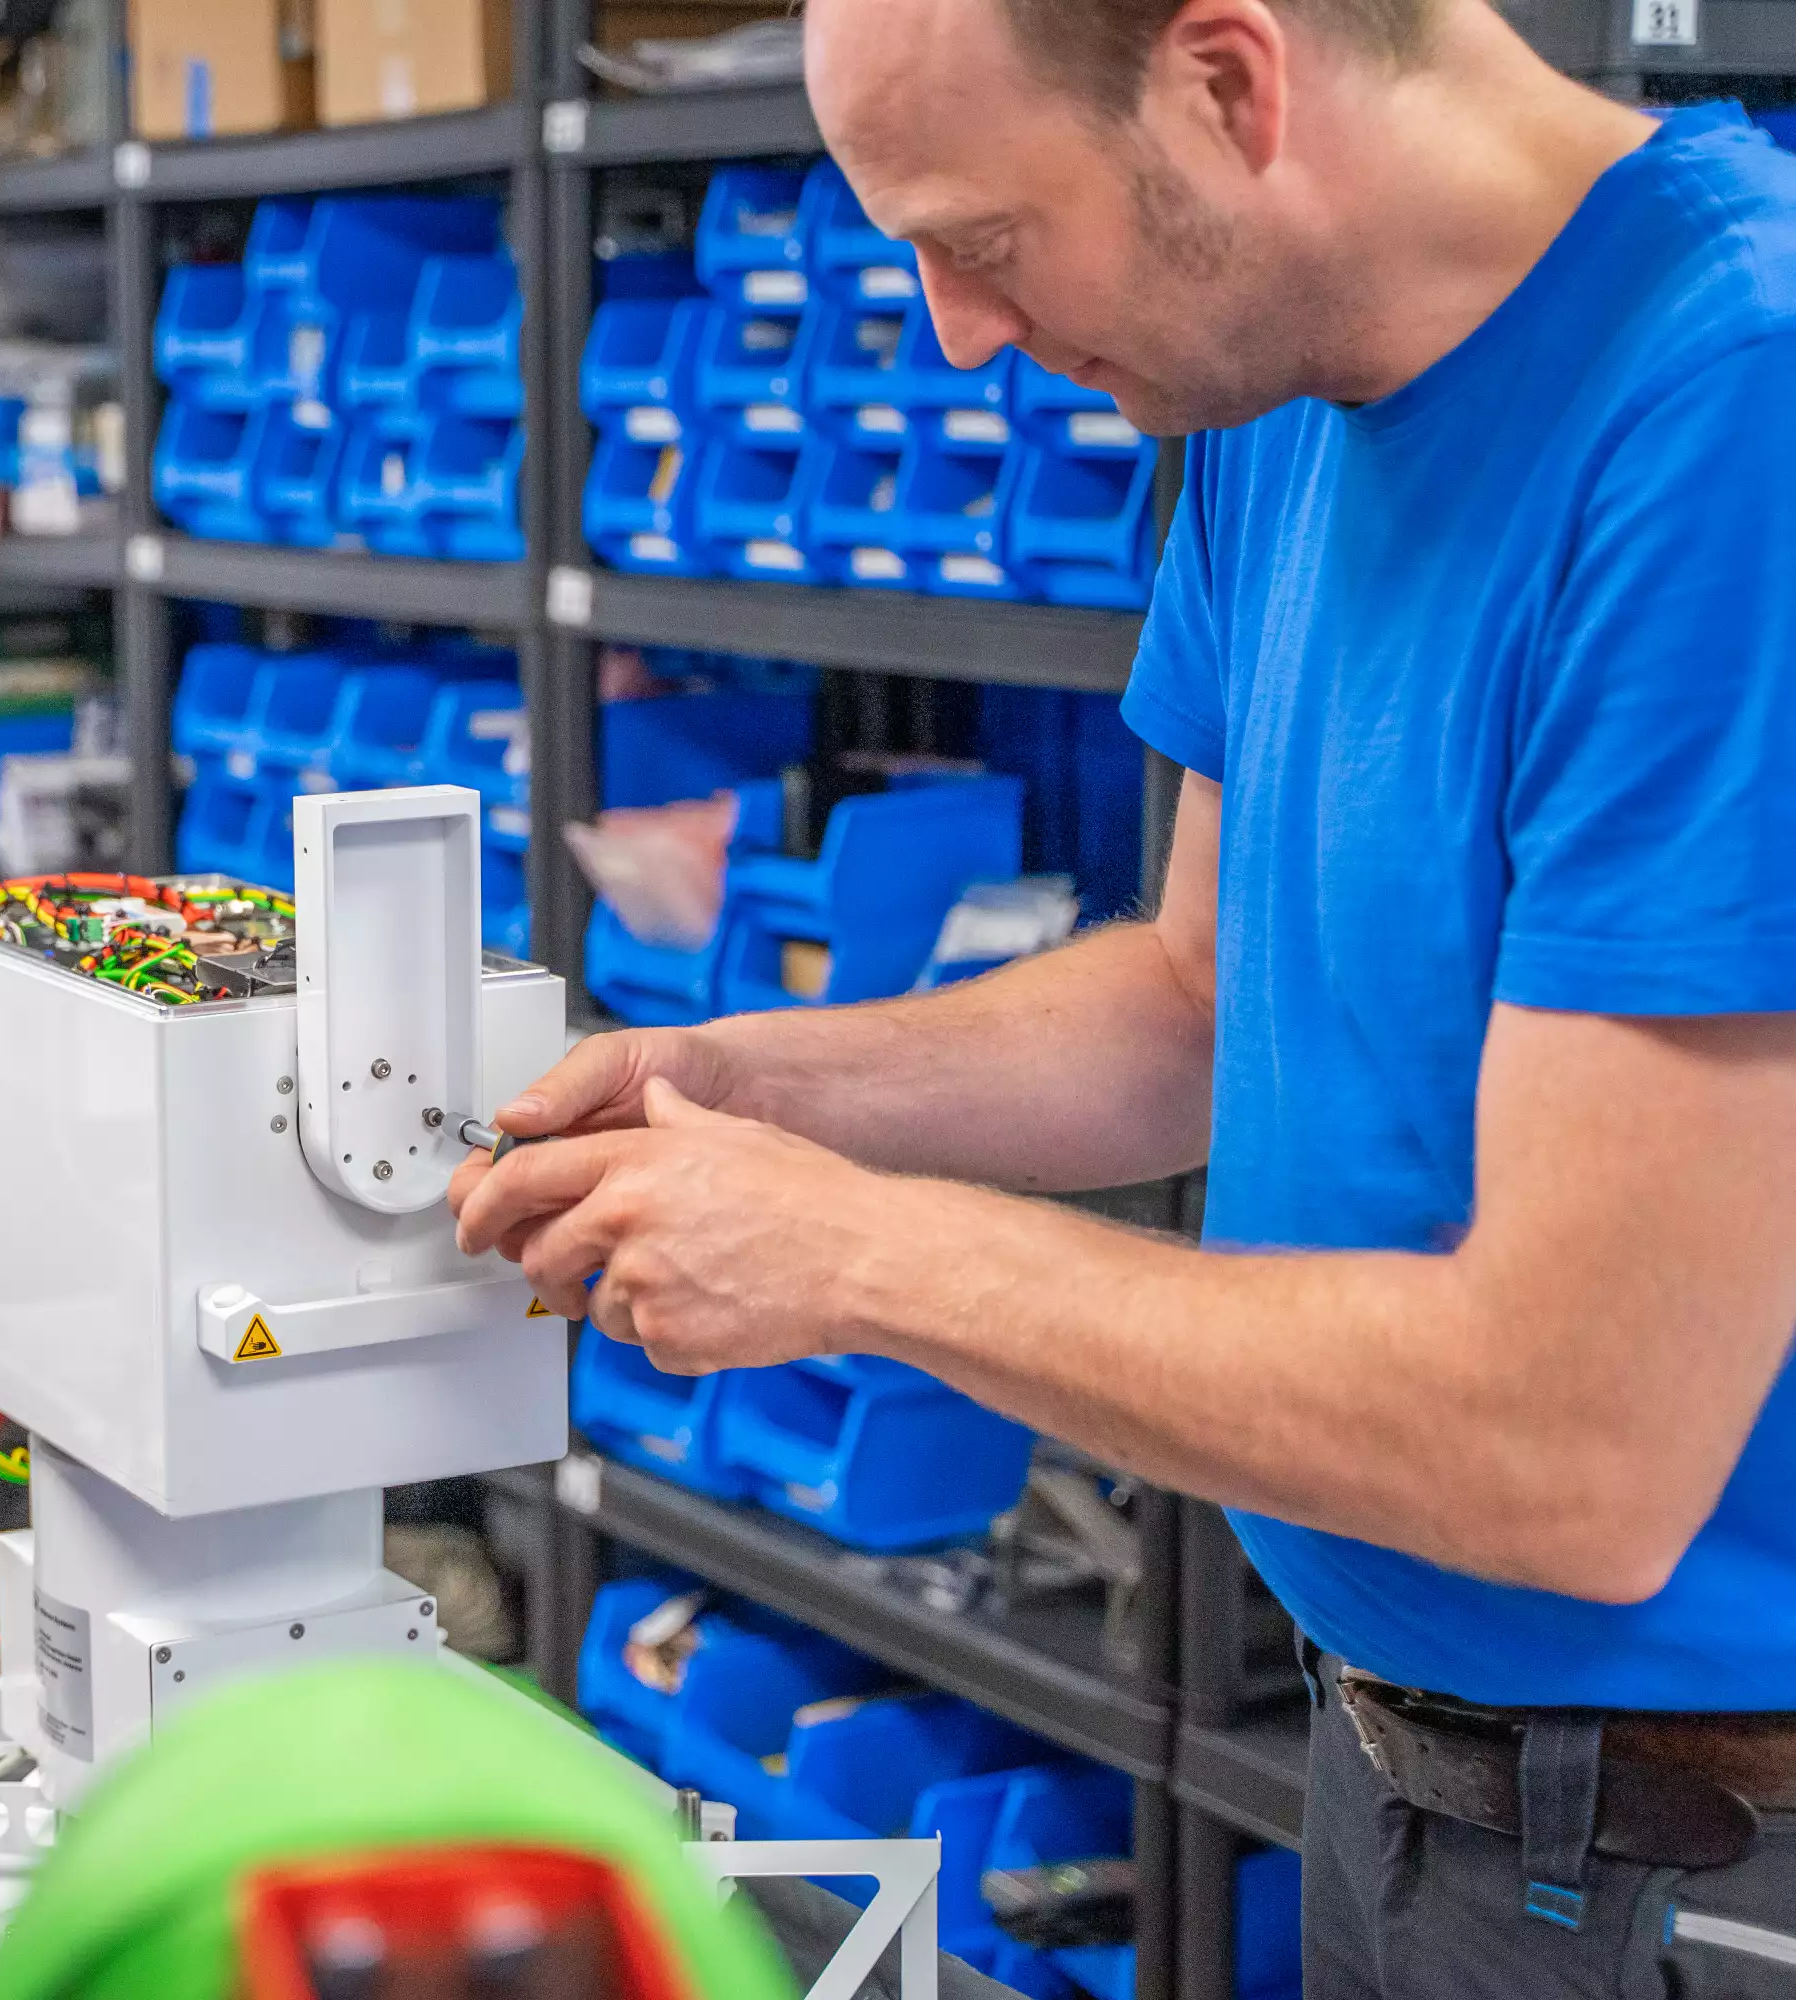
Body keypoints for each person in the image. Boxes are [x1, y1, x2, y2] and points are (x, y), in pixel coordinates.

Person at [449, 0, 1796, 1989]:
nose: (955, 335)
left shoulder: (1734, 413)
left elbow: (1572, 1445)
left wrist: (853, 1255)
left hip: (1699, 1852)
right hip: (1412, 1764)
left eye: (984, 240)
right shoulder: (1277, 379)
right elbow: (1193, 999)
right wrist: (747, 1084)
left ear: (1229, 83)